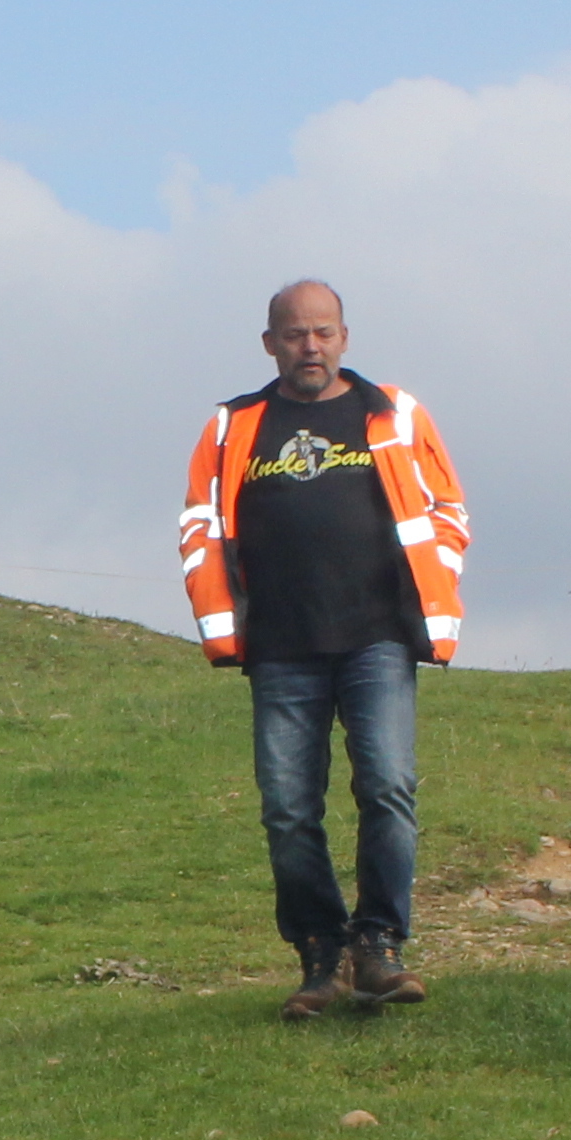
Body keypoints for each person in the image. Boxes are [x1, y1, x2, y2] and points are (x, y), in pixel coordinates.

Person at [175, 279, 471, 1015]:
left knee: (388, 789)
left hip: (377, 638)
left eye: (324, 332)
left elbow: (447, 510)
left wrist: (425, 597)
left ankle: (379, 947)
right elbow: (200, 526)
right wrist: (222, 624)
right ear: (270, 342)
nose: (311, 346)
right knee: (287, 807)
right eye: (296, 334)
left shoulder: (393, 414)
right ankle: (320, 955)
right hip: (280, 647)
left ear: (344, 337)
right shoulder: (231, 427)